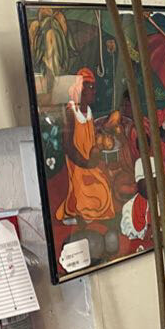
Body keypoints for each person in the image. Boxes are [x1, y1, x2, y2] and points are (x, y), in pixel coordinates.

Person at [56, 68, 115, 224]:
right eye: (91, 87)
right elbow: (68, 146)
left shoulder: (88, 111)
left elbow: (91, 135)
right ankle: (77, 212)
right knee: (94, 190)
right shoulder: (71, 112)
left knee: (106, 183)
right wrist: (85, 163)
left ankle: (86, 212)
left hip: (90, 160)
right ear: (81, 89)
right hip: (78, 164)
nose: (94, 91)